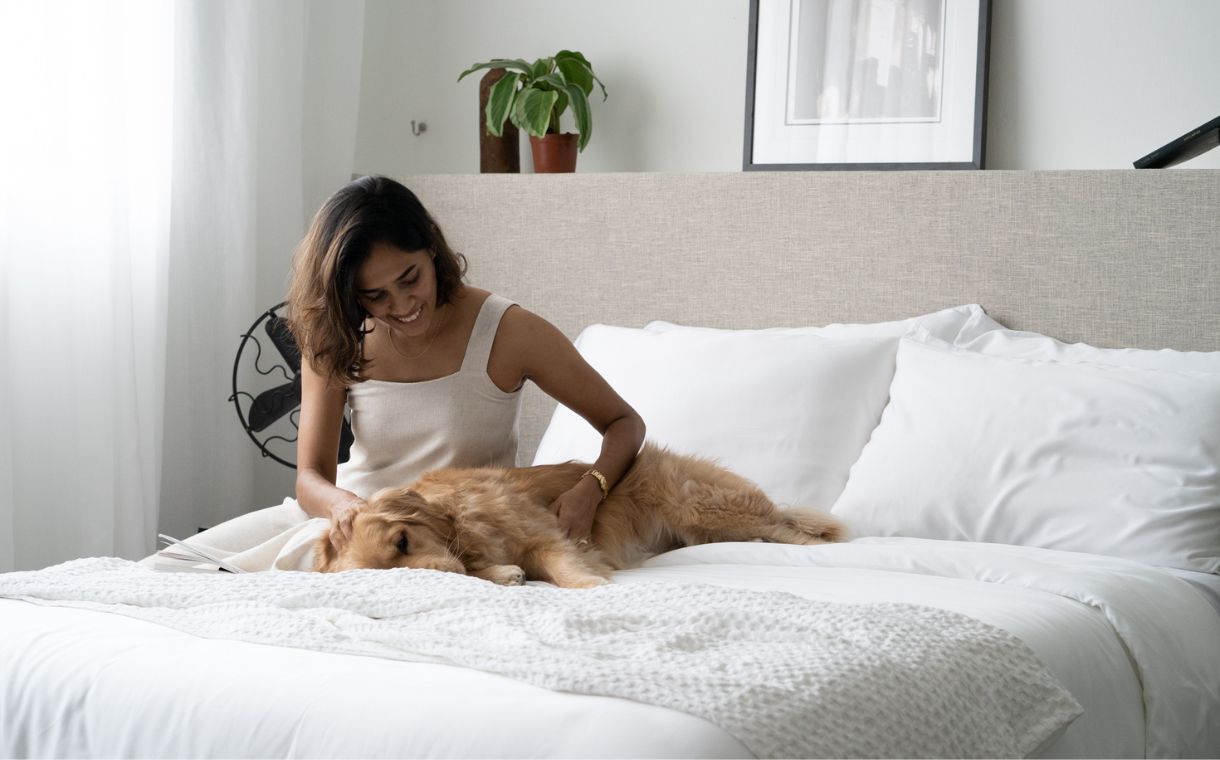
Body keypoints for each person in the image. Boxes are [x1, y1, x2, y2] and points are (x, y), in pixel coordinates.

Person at [285, 175, 645, 551]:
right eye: (376, 296)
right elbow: (310, 478)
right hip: (360, 535)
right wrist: (342, 503)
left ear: (432, 248)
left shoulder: (508, 332)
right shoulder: (341, 337)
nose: (403, 305)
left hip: (466, 534)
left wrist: (591, 490)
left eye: (411, 278)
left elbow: (625, 423)